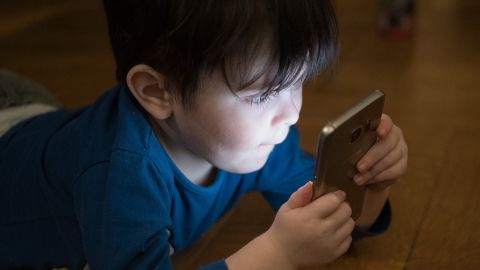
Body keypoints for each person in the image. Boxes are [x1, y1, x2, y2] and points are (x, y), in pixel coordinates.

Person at [0, 0, 408, 269]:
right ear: (159, 92)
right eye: (263, 94)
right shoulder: (120, 177)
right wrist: (276, 255)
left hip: (39, 123)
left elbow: (335, 218)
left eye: (297, 82)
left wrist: (372, 186)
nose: (292, 112)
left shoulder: (260, 137)